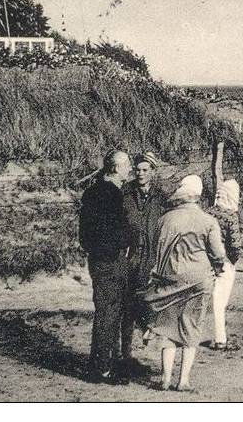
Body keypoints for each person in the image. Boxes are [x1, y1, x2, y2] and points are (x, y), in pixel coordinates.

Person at [142, 175, 226, 392]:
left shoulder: (164, 219)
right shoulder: (208, 221)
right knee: (191, 327)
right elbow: (218, 254)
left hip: (169, 278)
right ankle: (183, 381)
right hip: (198, 279)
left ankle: (165, 378)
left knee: (168, 328)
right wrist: (217, 268)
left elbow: (154, 248)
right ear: (197, 197)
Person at [78, 150, 134, 384]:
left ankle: (98, 364)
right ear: (117, 168)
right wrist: (123, 243)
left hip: (98, 259)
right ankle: (102, 369)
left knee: (105, 312)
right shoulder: (111, 195)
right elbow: (115, 230)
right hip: (110, 260)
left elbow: (85, 233)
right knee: (109, 314)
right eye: (127, 165)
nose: (130, 169)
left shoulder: (92, 192)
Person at [119, 151, 167, 377]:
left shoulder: (161, 197)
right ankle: (125, 354)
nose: (140, 173)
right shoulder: (125, 193)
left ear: (153, 172)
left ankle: (147, 330)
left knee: (151, 300)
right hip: (129, 256)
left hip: (152, 257)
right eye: (137, 169)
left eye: (145, 170)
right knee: (126, 306)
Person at [205, 179, 243, 351]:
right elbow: (235, 245)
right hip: (224, 262)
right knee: (219, 301)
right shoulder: (231, 216)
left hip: (206, 260)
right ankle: (220, 338)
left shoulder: (207, 213)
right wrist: (233, 261)